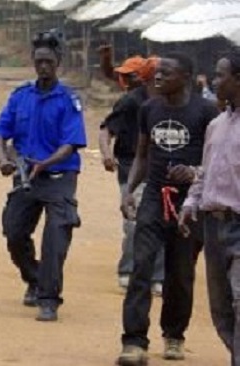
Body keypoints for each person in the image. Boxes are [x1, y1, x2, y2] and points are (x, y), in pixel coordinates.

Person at [116, 52, 219, 365]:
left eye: (166, 73)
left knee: (180, 272)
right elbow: (143, 155)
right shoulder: (149, 108)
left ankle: (174, 335)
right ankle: (134, 342)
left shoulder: (206, 111)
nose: (157, 78)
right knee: (141, 266)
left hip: (190, 204)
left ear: (185, 77)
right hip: (154, 199)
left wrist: (194, 172)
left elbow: (217, 159)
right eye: (157, 73)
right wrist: (129, 190)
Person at [0, 30, 86, 322]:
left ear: (58, 62)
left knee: (55, 237)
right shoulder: (20, 96)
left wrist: (45, 163)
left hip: (59, 176)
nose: (43, 66)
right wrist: (3, 160)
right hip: (25, 175)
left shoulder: (68, 99)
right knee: (14, 231)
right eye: (39, 61)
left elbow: (71, 144)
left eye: (48, 61)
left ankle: (48, 299)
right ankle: (34, 278)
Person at [179, 52, 240, 366]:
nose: (214, 81)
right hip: (213, 226)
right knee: (221, 309)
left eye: (220, 75)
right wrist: (191, 202)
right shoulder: (216, 125)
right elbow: (206, 171)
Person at [98, 56, 165, 293]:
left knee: (161, 222)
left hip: (161, 171)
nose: (123, 80)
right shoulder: (130, 102)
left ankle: (158, 276)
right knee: (134, 222)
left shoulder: (172, 102)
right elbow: (107, 129)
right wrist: (106, 154)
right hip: (131, 169)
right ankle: (128, 270)